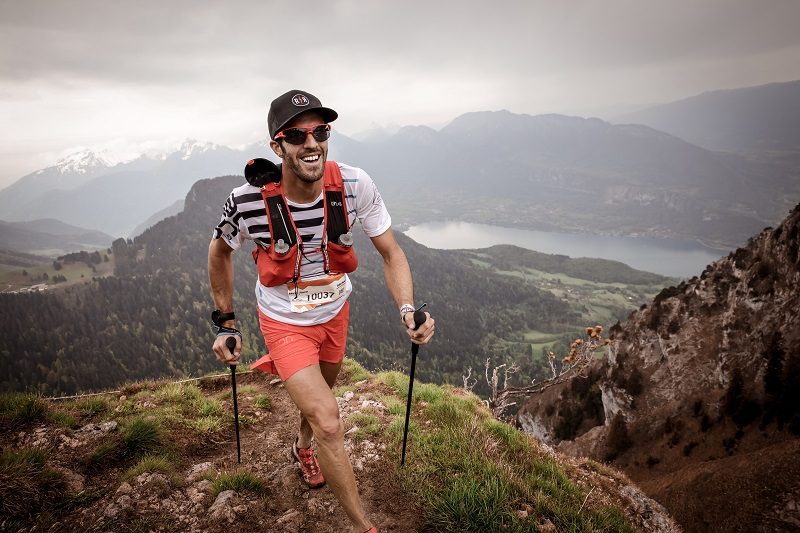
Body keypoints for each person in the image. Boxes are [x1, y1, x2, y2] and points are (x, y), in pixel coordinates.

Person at [208, 89, 435, 533]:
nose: (311, 143)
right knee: (330, 420)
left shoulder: (355, 184)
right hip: (284, 322)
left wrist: (407, 309)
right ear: (278, 145)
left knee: (319, 407)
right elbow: (219, 253)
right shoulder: (246, 201)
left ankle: (301, 447)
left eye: (320, 131)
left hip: (335, 314)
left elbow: (392, 253)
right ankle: (364, 526)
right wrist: (226, 323)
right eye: (297, 135)